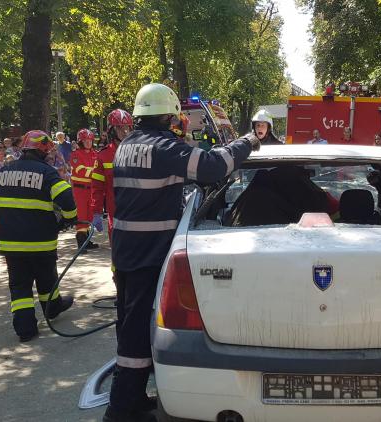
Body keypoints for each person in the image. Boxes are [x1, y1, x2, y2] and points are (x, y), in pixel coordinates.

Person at [103, 83, 260, 422]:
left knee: (129, 323)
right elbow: (214, 167)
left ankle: (132, 398)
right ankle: (120, 410)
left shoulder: (127, 145)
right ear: (167, 116)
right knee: (135, 331)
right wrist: (247, 142)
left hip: (126, 249)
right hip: (148, 251)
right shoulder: (164, 148)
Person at [0, 130, 77, 342]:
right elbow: (67, 200)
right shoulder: (47, 173)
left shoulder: (3, 172)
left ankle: (25, 329)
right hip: (41, 241)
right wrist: (67, 220)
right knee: (46, 278)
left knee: (19, 285)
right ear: (43, 150)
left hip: (11, 243)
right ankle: (52, 308)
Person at [91, 109, 133, 239]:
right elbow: (97, 187)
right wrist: (97, 212)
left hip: (137, 212)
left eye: (127, 127)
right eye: (120, 128)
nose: (125, 132)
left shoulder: (139, 151)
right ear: (112, 130)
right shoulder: (103, 156)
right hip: (115, 215)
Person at [70, 128, 99, 252]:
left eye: (90, 140)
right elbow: (80, 170)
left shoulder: (95, 154)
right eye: (85, 140)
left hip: (91, 189)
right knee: (82, 215)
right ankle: (81, 242)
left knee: (90, 215)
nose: (88, 142)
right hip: (80, 190)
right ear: (80, 141)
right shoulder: (75, 155)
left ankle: (87, 240)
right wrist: (96, 172)